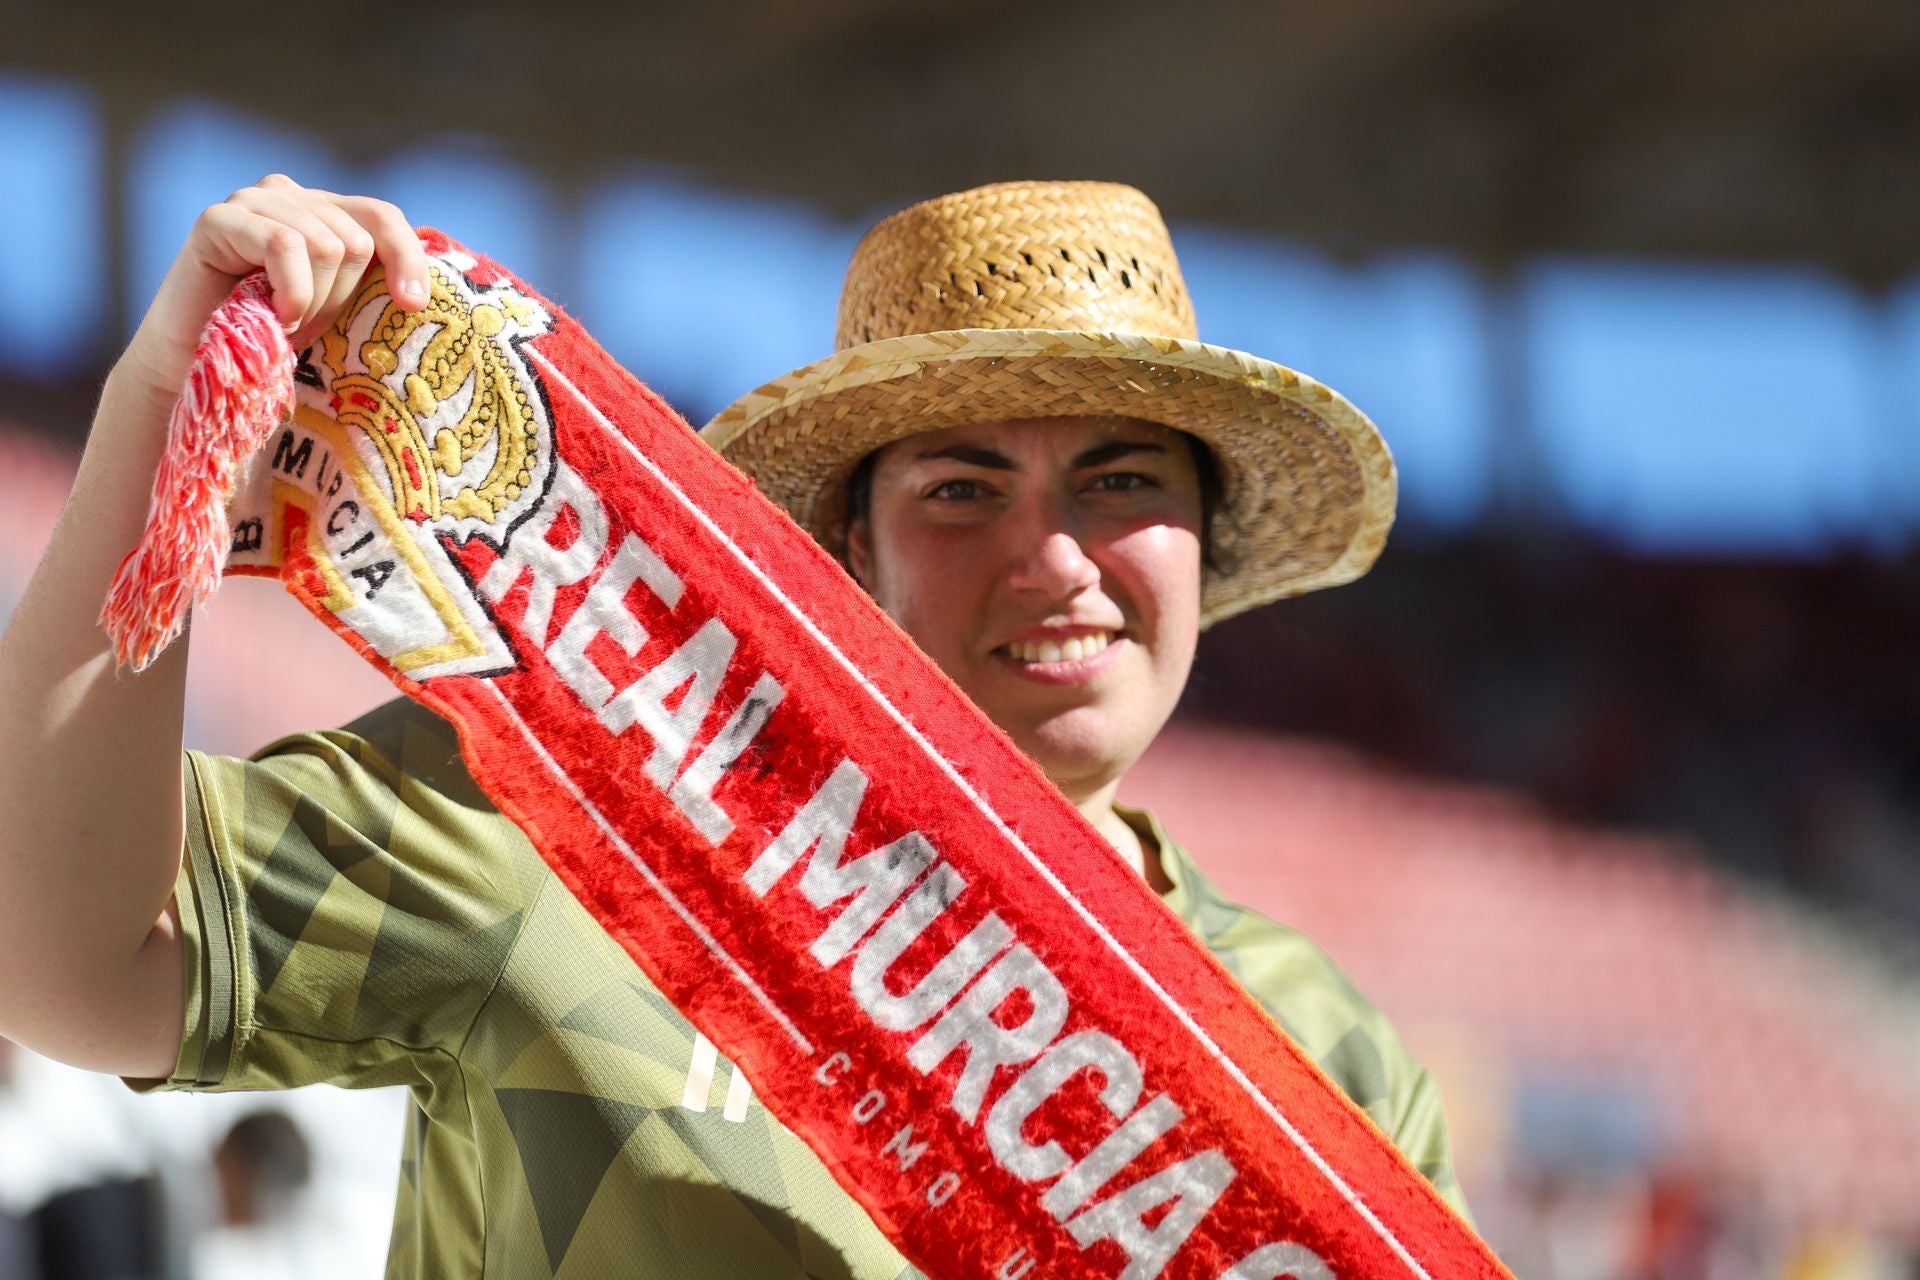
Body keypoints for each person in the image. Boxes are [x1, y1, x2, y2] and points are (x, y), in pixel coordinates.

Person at [0, 174, 1467, 1279]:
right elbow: (57, 963)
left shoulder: (1323, 1054)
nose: (1059, 558)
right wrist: (166, 403)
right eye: (962, 489)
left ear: (1204, 545)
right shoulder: (580, 801)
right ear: (846, 556)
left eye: (1124, 481)